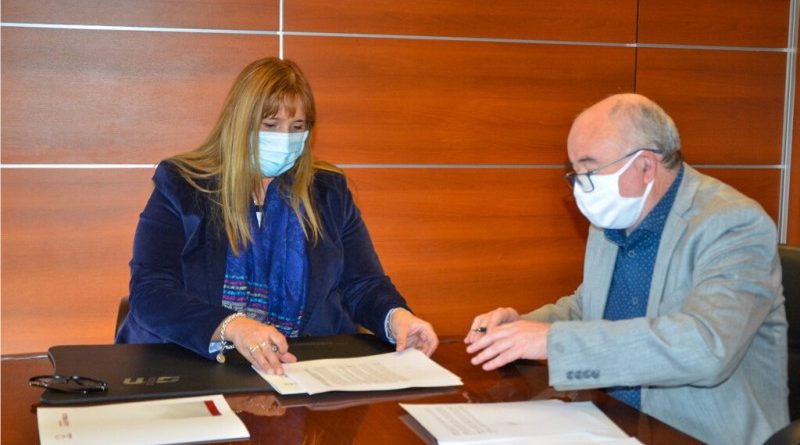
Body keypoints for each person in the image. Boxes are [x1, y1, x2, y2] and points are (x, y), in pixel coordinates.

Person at [464, 93, 788, 445]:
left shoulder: (732, 223)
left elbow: (706, 347)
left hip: (696, 434)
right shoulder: (611, 220)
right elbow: (588, 307)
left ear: (646, 166)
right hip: (610, 423)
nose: (581, 188)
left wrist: (551, 342)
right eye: (576, 173)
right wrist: (517, 329)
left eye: (590, 170)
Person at [116, 57, 438, 374]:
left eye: (297, 127)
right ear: (240, 123)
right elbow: (151, 292)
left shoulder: (328, 192)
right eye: (271, 125)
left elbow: (363, 283)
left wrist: (396, 317)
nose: (284, 138)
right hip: (192, 364)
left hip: (302, 369)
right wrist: (232, 326)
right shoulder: (182, 185)